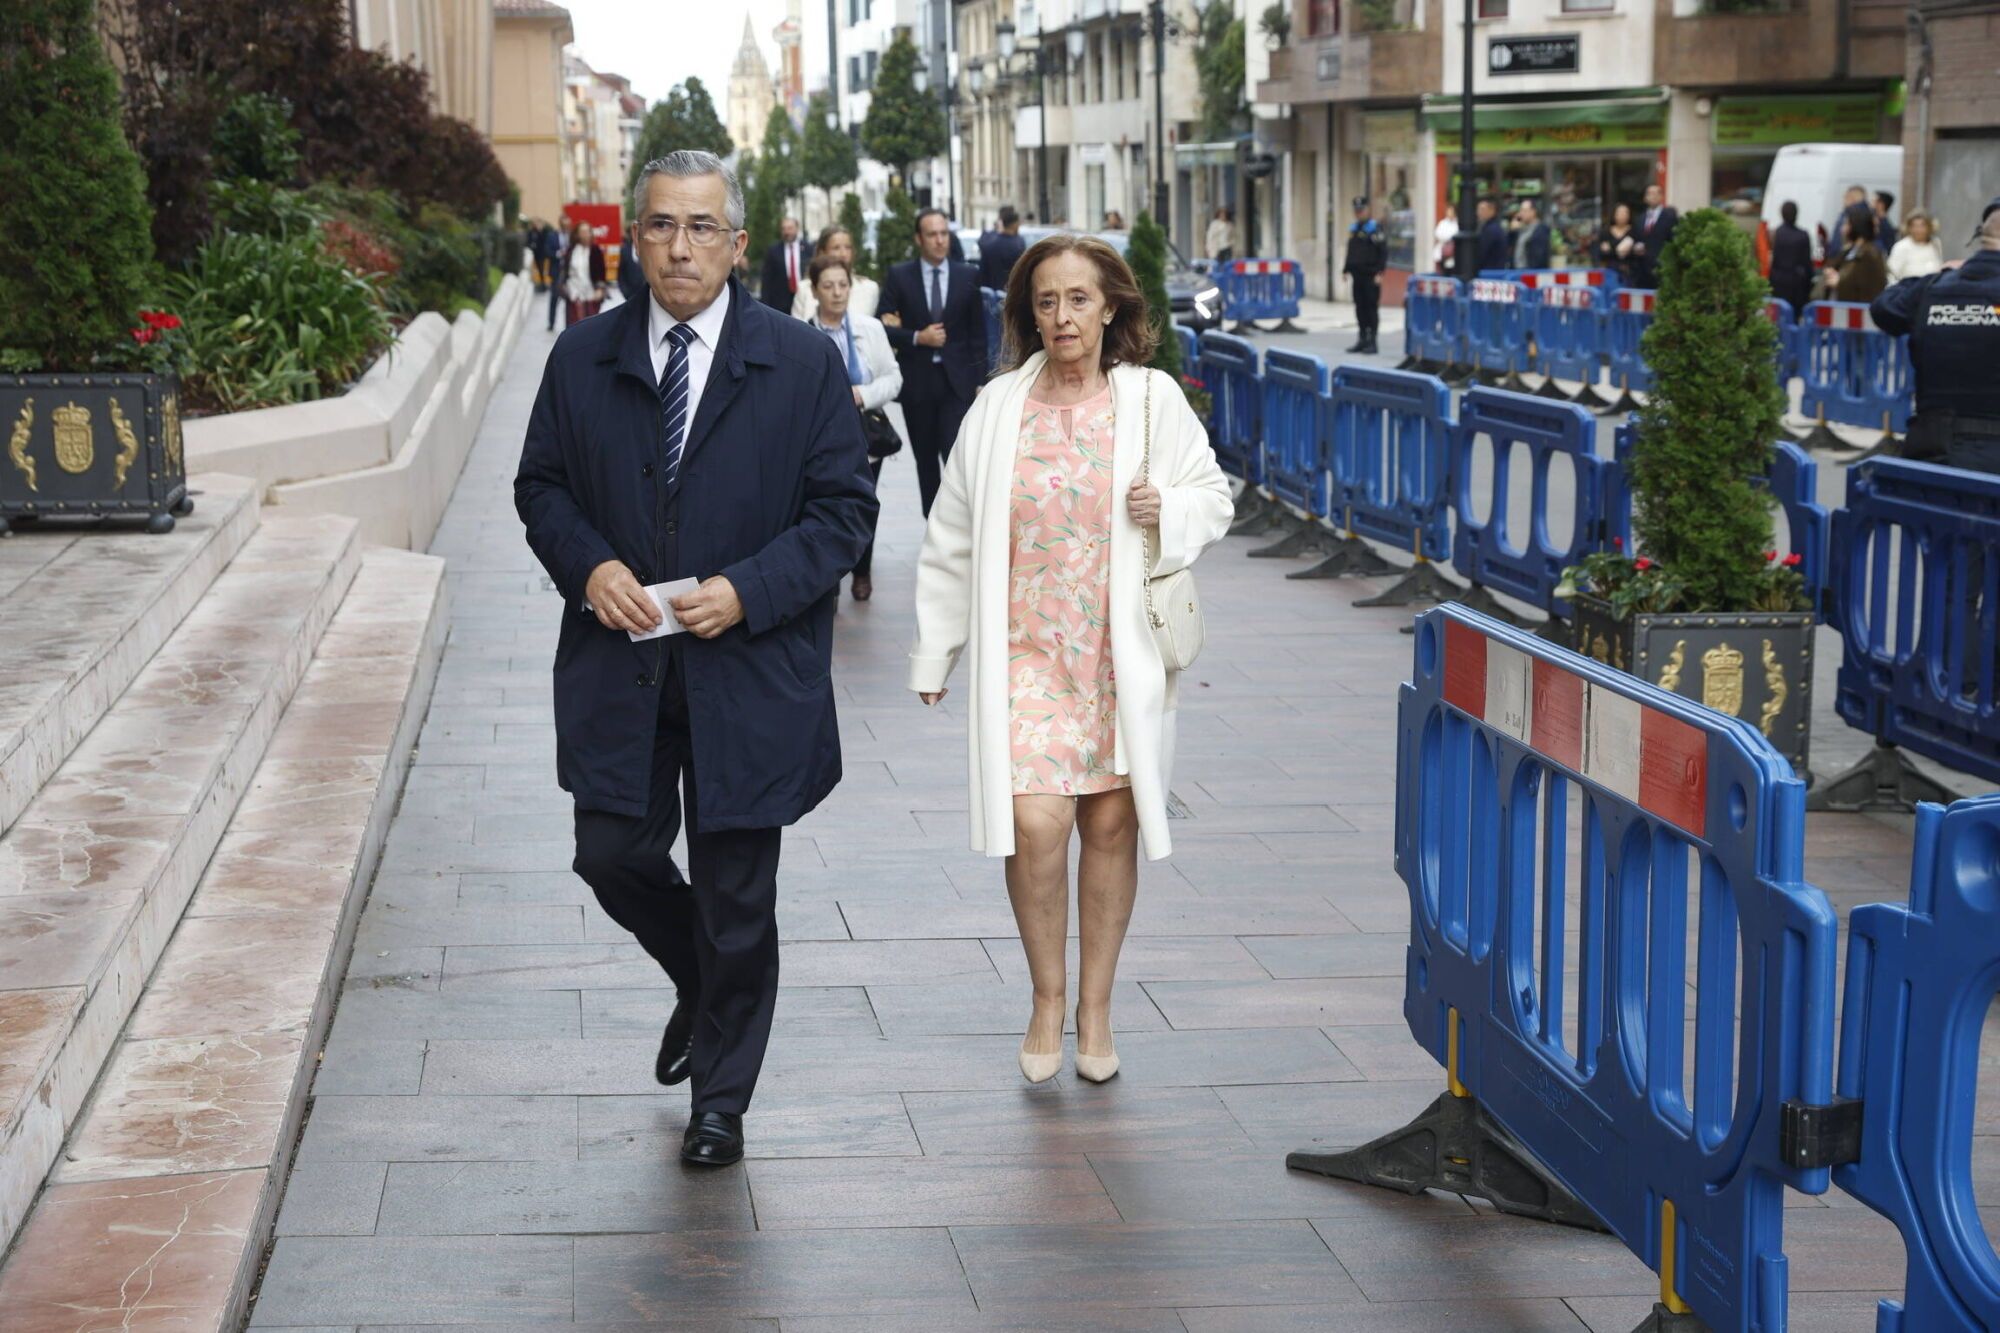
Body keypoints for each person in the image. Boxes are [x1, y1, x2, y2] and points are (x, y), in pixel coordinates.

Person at [514, 150, 877, 1167]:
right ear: (635, 237)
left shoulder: (799, 362)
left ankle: (720, 1100)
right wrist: (589, 566)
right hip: (620, 665)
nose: (682, 246)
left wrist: (748, 589)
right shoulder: (582, 358)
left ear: (737, 243)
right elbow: (540, 486)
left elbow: (844, 511)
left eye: (702, 226)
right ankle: (701, 980)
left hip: (747, 671)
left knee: (736, 897)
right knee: (609, 853)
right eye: (663, 225)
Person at [908, 233, 1232, 1084]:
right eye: (1046, 301)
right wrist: (936, 650)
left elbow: (1214, 496)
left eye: (1079, 299)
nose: (1062, 317)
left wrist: (1168, 509)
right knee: (1036, 824)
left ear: (1110, 306)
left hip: (1117, 655)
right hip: (1026, 652)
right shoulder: (997, 408)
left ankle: (1095, 1006)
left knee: (1112, 825)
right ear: (1029, 312)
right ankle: (1046, 995)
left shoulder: (1151, 400)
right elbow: (951, 534)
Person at [1872, 196, 2000, 472]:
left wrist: (1935, 277)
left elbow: (1883, 308)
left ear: (1982, 236)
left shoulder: (1931, 289)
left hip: (1932, 457)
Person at [878, 208, 987, 517]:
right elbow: (880, 326)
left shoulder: (968, 275)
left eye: (944, 234)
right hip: (918, 383)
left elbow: (978, 334)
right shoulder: (900, 275)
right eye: (932, 235)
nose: (940, 240)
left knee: (956, 458)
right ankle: (934, 526)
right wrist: (917, 337)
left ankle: (959, 523)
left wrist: (980, 381)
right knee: (925, 461)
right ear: (919, 239)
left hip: (957, 384)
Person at [805, 251, 901, 602]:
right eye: (828, 286)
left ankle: (862, 570)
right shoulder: (801, 332)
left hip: (864, 436)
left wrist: (863, 394)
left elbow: (893, 378)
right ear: (815, 290)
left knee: (862, 504)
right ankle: (827, 582)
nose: (836, 293)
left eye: (843, 285)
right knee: (819, 507)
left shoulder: (869, 329)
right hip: (817, 439)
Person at [791, 225, 878, 320]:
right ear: (822, 252)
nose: (843, 254)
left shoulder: (869, 288)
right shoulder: (805, 289)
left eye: (848, 248)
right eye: (836, 248)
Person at [1342, 196, 1386, 355]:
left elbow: (1383, 252)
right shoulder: (1354, 229)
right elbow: (1351, 250)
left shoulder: (1375, 228)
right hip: (1357, 275)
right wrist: (1346, 269)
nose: (1359, 213)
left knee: (1371, 308)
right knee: (1359, 308)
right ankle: (1362, 339)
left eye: (1361, 210)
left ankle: (1372, 341)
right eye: (1356, 210)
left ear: (1368, 210)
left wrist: (1380, 272)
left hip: (1371, 275)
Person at [1826, 204, 1888, 306]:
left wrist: (1839, 283)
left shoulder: (1870, 254)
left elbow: (1868, 287)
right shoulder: (1848, 251)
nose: (1842, 229)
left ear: (1856, 225)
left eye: (1846, 224)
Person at [1769, 200, 1815, 315]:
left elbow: (1773, 260)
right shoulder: (1802, 235)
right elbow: (1807, 263)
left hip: (1779, 281)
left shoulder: (1776, 234)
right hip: (1797, 283)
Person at [759, 217, 812, 312]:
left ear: (797, 229)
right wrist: (765, 304)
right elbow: (766, 279)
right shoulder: (773, 251)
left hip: (803, 300)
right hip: (780, 303)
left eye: (790, 228)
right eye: (784, 229)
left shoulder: (808, 249)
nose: (787, 232)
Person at [561, 220, 606, 327]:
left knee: (591, 325)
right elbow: (565, 271)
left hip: (591, 293)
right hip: (574, 293)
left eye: (587, 231)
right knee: (574, 325)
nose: (585, 234)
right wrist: (564, 287)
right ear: (577, 234)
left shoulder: (595, 250)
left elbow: (601, 271)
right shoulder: (571, 250)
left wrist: (600, 289)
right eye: (582, 232)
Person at [1633, 184, 1679, 288]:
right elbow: (1636, 238)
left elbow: (1674, 240)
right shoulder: (1639, 218)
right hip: (1642, 269)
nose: (1653, 196)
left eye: (1656, 193)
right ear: (1645, 198)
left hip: (1662, 268)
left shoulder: (1670, 217)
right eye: (1649, 194)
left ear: (1661, 197)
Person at [1886, 209, 1944, 283]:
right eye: (1914, 226)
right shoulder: (1901, 247)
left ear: (1929, 227)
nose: (1918, 230)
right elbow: (1891, 274)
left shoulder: (1935, 243)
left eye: (1922, 226)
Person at [978, 205, 1027, 292]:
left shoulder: (989, 244)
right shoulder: (1018, 244)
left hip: (993, 292)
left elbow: (983, 274)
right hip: (1013, 292)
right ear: (1014, 224)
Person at [1594, 202, 1638, 287]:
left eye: (1625, 213)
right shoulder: (1605, 232)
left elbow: (1638, 252)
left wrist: (1611, 250)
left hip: (1629, 272)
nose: (1622, 215)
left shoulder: (1634, 231)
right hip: (1609, 272)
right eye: (1619, 213)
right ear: (1614, 214)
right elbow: (1599, 252)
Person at [1511, 199, 1551, 271]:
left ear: (1533, 212)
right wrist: (1513, 229)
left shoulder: (1540, 230)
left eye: (1525, 211)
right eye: (1520, 211)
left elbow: (1539, 257)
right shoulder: (1521, 229)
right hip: (1518, 271)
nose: (1521, 214)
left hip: (1531, 272)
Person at [543, 221, 568, 330]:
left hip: (568, 273)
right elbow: (547, 251)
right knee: (554, 297)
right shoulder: (552, 236)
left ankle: (570, 324)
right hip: (556, 271)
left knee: (569, 300)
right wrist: (558, 254)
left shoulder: (571, 236)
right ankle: (551, 322)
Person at [1474, 198, 1508, 276]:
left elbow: (1482, 253)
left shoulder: (1491, 230)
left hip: (1491, 273)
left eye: (1482, 209)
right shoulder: (1486, 227)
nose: (1479, 212)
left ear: (1492, 210)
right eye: (1478, 209)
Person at [617, 230, 647, 306]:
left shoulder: (650, 250)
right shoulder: (625, 250)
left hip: (648, 297)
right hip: (630, 297)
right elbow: (621, 275)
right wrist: (626, 293)